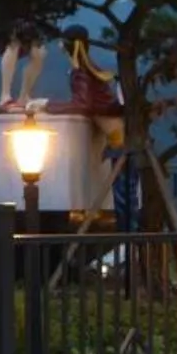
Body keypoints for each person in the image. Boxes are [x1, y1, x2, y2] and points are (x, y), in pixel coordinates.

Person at [63, 30, 141, 232]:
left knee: (125, 197)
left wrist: (46, 106)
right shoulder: (91, 70)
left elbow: (82, 104)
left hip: (119, 142)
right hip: (121, 137)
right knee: (127, 196)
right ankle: (130, 241)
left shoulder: (81, 73)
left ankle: (128, 241)